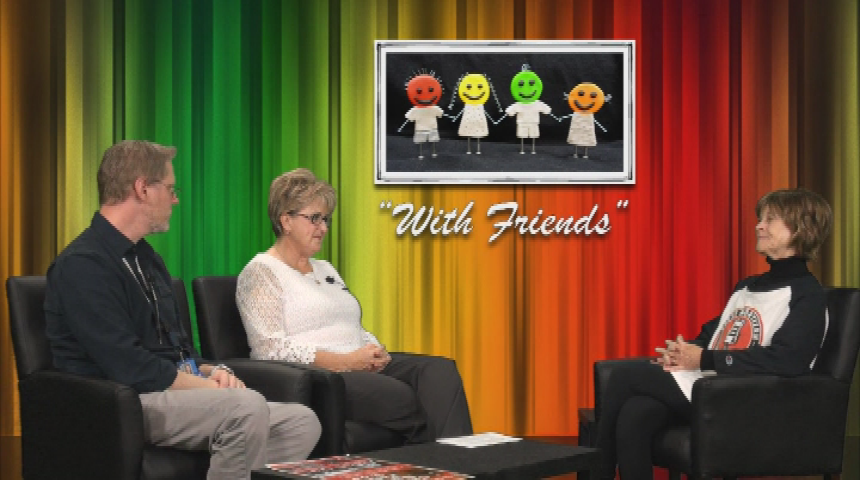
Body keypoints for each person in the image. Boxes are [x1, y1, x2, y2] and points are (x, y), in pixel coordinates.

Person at [44, 140, 321, 480]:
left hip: (164, 388)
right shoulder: (83, 264)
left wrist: (210, 370)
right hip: (121, 400)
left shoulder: (147, 259)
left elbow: (176, 348)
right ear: (143, 189)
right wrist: (206, 388)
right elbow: (125, 364)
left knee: (301, 422)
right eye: (170, 189)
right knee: (245, 406)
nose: (175, 199)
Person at [596, 188, 833, 479]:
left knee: (624, 376)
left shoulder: (808, 295)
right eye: (760, 219)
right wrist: (684, 352)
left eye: (770, 219)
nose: (759, 226)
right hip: (713, 388)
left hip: (747, 399)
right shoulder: (747, 287)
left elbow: (788, 360)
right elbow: (714, 335)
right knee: (636, 411)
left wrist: (704, 359)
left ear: (799, 229)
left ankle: (597, 474)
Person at [236, 168, 473, 444]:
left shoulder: (325, 268)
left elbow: (350, 324)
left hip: (358, 362)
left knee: (440, 373)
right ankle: (444, 460)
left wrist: (374, 349)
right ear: (286, 221)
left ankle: (460, 461)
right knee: (401, 396)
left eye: (325, 219)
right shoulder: (261, 272)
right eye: (314, 219)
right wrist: (345, 362)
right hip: (323, 375)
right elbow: (269, 349)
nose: (323, 228)